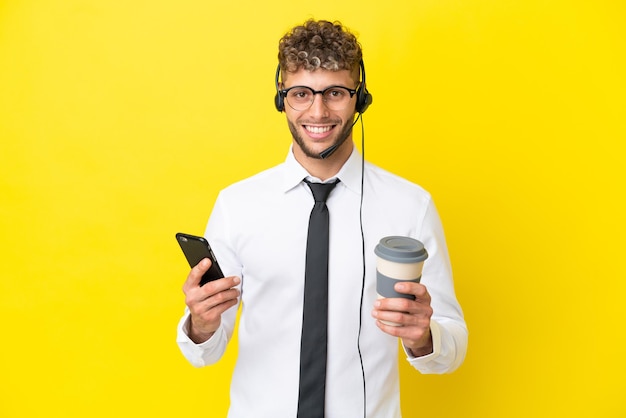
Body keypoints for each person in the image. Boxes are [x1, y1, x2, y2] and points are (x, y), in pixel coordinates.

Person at [177, 19, 467, 418]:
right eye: (301, 93)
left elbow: (451, 347)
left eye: (335, 93)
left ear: (360, 98)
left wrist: (424, 338)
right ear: (282, 98)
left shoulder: (410, 206)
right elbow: (204, 353)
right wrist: (201, 322)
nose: (318, 111)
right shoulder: (237, 205)